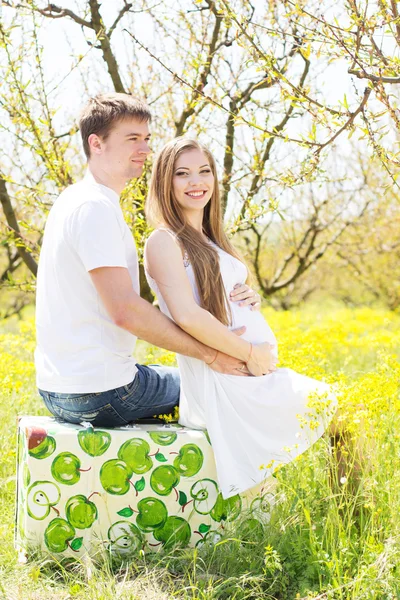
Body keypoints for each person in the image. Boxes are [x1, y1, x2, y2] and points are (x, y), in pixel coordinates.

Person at [35, 93, 274, 427]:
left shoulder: (76, 200)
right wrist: (214, 355)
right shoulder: (94, 209)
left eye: (146, 139)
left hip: (66, 386)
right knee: (220, 387)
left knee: (182, 377)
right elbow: (125, 310)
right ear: (96, 143)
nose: (145, 150)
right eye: (132, 138)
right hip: (100, 391)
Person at [144, 137, 339, 499]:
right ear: (164, 182)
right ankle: (350, 513)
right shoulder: (164, 241)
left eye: (204, 171)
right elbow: (186, 315)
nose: (196, 181)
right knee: (334, 408)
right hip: (226, 377)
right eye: (182, 173)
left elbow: (215, 295)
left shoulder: (211, 238)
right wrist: (250, 354)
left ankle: (345, 517)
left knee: (264, 492)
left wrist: (250, 296)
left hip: (246, 375)